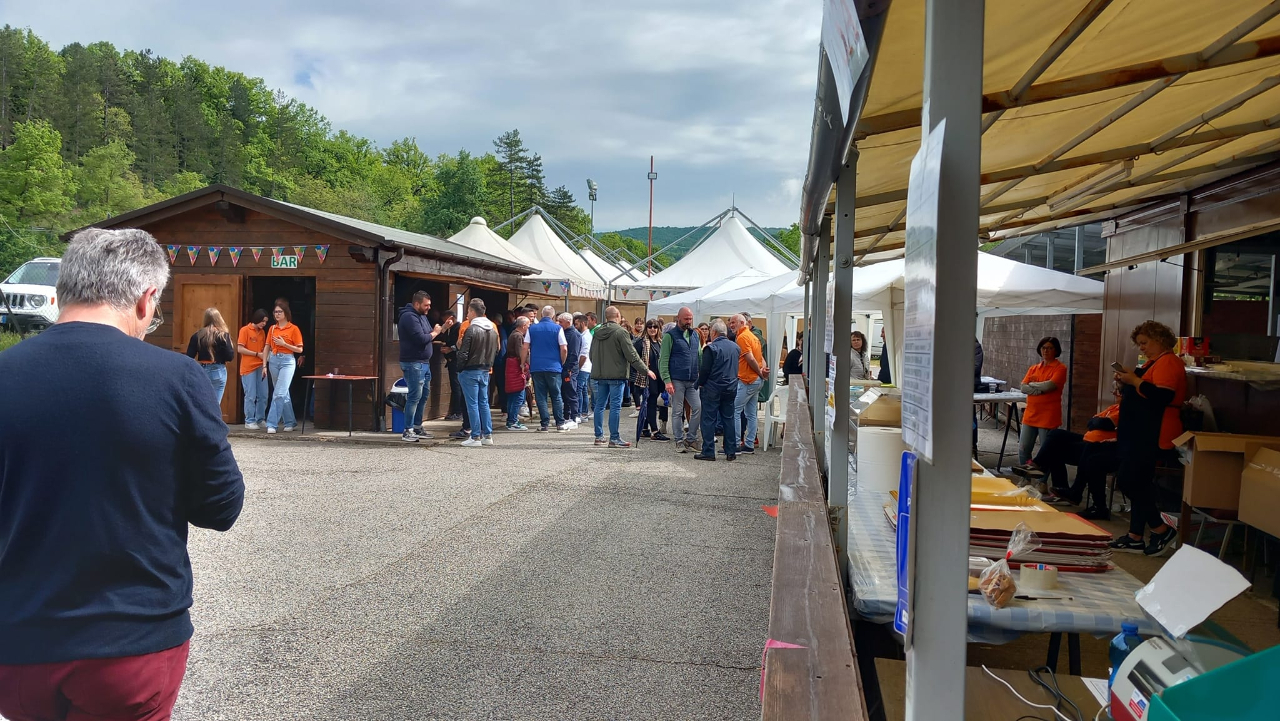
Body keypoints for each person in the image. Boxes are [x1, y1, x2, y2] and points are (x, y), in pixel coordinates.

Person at [0, 227, 244, 721]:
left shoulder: (5, 372)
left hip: (18, 639)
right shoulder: (177, 379)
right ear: (145, 299)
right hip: (133, 638)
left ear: (64, 290)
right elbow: (221, 508)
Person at [1110, 321, 1187, 556]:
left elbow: (1162, 395)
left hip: (1153, 433)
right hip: (1139, 432)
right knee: (1139, 482)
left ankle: (1160, 528)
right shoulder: (1154, 363)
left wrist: (1134, 381)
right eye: (1139, 344)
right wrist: (1126, 382)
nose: (1141, 348)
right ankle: (1135, 535)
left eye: (1144, 343)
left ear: (1159, 339)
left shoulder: (1169, 362)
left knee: (1129, 480)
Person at [1016, 386, 1123, 519]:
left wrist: (1099, 423)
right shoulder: (1114, 408)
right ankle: (1039, 466)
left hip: (1102, 448)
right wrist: (1099, 423)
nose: (1114, 393)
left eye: (1117, 391)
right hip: (1087, 441)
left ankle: (1075, 492)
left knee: (1089, 450)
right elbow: (1091, 422)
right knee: (1056, 436)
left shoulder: (1126, 410)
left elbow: (1103, 423)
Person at [589, 305, 654, 448]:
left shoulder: (597, 332)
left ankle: (599, 436)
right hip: (616, 375)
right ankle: (614, 438)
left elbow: (591, 354)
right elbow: (631, 355)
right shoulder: (621, 332)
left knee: (599, 406)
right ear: (617, 315)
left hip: (600, 375)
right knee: (615, 407)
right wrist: (645, 370)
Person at [397, 291, 449, 443]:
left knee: (423, 395)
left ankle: (418, 426)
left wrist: (442, 329)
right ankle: (407, 430)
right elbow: (421, 338)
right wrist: (435, 332)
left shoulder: (422, 316)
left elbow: (428, 335)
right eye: (426, 305)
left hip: (423, 363)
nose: (428, 308)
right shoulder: (409, 317)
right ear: (417, 304)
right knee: (414, 396)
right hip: (413, 362)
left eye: (430, 305)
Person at [1016, 336, 1068, 464]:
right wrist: (1041, 389)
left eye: (1050, 348)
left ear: (1056, 350)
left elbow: (1050, 386)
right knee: (1023, 449)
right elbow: (1023, 387)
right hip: (1031, 414)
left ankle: (1041, 481)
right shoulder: (1034, 368)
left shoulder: (1060, 368)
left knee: (1046, 451)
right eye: (1044, 348)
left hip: (1048, 416)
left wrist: (1033, 385)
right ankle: (1026, 477)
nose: (1046, 351)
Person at [456, 298, 500, 448]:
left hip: (470, 370)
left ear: (473, 312)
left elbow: (463, 353)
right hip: (485, 369)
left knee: (472, 404)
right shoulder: (492, 329)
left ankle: (475, 436)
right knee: (484, 403)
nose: (467, 314)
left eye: (468, 311)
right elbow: (497, 350)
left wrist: (459, 368)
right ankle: (487, 435)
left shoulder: (471, 329)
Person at [694, 319, 740, 462]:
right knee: (729, 418)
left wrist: (699, 383)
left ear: (713, 332)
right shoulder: (735, 347)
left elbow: (705, 369)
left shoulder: (711, 348)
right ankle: (731, 451)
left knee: (708, 419)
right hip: (731, 387)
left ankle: (708, 451)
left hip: (713, 388)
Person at [660, 306, 703, 453]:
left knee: (698, 407)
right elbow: (663, 360)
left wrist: (701, 375)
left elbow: (699, 356)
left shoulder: (695, 335)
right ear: (678, 318)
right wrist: (667, 380)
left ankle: (690, 438)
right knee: (677, 411)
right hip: (676, 379)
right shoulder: (669, 336)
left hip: (692, 380)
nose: (688, 322)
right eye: (686, 319)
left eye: (690, 319)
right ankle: (678, 440)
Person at [526, 305, 570, 432]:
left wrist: (524, 362)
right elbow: (564, 348)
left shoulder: (532, 328)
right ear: (553, 316)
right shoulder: (558, 329)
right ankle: (560, 423)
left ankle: (544, 424)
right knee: (556, 395)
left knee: (540, 396)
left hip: (537, 366)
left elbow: (525, 347)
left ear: (541, 315)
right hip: (554, 367)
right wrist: (561, 362)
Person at [728, 314, 767, 455]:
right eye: (730, 323)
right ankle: (749, 444)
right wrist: (762, 371)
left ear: (742, 323)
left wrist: (760, 372)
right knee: (751, 414)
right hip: (755, 379)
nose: (731, 325)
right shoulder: (753, 336)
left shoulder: (742, 337)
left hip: (748, 379)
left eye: (733, 322)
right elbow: (761, 358)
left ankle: (737, 443)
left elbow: (750, 358)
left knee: (735, 411)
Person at [265, 299, 303, 434]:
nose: (277, 314)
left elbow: (299, 349)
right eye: (275, 312)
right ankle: (290, 421)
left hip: (287, 361)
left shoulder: (294, 328)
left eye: (280, 312)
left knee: (279, 393)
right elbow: (267, 346)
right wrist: (264, 364)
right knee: (283, 393)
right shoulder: (272, 328)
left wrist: (284, 344)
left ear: (286, 313)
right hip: (274, 360)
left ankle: (271, 423)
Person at [185, 307, 235, 405]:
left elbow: (189, 357)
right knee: (215, 404)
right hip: (218, 370)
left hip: (202, 370)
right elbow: (230, 356)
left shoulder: (197, 335)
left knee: (202, 402)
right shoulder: (223, 336)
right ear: (219, 319)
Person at [635, 318, 669, 441]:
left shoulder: (660, 342)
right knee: (651, 403)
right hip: (647, 377)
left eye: (655, 327)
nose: (652, 329)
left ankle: (645, 429)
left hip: (658, 377)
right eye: (650, 326)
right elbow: (635, 360)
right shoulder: (641, 342)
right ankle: (655, 431)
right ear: (646, 328)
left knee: (649, 403)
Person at [237, 309, 270, 428]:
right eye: (263, 321)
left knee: (263, 394)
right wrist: (257, 354)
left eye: (266, 322)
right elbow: (240, 349)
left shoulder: (262, 332)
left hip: (261, 366)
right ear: (257, 319)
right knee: (250, 394)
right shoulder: (245, 330)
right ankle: (249, 420)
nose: (264, 324)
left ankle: (260, 418)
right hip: (248, 367)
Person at [504, 316, 531, 430]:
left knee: (512, 395)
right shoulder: (518, 336)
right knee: (519, 395)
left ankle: (511, 420)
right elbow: (521, 353)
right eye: (528, 325)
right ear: (524, 325)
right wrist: (525, 364)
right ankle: (513, 421)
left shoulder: (513, 334)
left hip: (511, 366)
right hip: (516, 367)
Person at [558, 313, 582, 428]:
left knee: (571, 391)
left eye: (561, 322)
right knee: (565, 392)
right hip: (564, 367)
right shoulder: (564, 332)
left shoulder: (574, 335)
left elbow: (573, 353)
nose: (559, 324)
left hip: (569, 368)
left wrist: (569, 368)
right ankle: (566, 416)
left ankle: (574, 417)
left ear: (568, 322)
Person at [439, 315, 464, 422]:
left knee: (456, 386)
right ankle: (456, 411)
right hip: (451, 361)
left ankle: (458, 412)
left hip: (456, 360)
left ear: (451, 319)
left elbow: (461, 343)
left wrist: (450, 349)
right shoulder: (451, 329)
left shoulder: (458, 328)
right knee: (455, 386)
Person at [574, 313, 593, 421]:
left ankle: (579, 413)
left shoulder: (586, 337)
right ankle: (584, 412)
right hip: (585, 367)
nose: (575, 326)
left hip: (583, 367)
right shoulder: (584, 335)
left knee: (578, 390)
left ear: (582, 323)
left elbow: (584, 355)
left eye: (576, 324)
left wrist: (578, 367)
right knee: (583, 390)